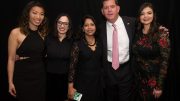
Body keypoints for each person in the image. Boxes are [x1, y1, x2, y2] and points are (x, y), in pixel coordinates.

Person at [7, 1, 48, 101]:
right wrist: (10, 82)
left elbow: (44, 54)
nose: (38, 17)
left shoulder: (43, 34)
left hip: (39, 76)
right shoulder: (15, 33)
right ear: (28, 14)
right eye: (34, 12)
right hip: (22, 76)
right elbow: (11, 59)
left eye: (41, 14)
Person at [132, 2, 170, 101]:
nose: (146, 16)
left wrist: (159, 86)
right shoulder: (137, 32)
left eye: (149, 13)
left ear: (154, 15)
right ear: (139, 16)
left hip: (153, 82)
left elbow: (165, 62)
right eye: (142, 13)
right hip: (139, 80)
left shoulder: (161, 33)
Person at [99, 0, 135, 101]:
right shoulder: (99, 28)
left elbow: (147, 27)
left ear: (118, 9)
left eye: (112, 6)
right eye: (106, 8)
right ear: (102, 11)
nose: (109, 10)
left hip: (127, 70)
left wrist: (160, 29)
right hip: (109, 71)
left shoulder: (131, 23)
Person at [68, 15, 104, 101]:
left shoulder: (100, 42)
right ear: (83, 28)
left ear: (95, 27)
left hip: (97, 84)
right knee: (78, 100)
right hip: (80, 86)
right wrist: (70, 87)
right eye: (86, 25)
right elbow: (72, 67)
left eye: (92, 24)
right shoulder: (77, 44)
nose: (89, 27)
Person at [45, 13, 73, 101]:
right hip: (49, 81)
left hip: (66, 82)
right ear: (56, 24)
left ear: (69, 26)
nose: (62, 26)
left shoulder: (73, 41)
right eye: (60, 22)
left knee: (77, 98)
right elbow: (38, 55)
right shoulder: (48, 39)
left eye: (65, 24)